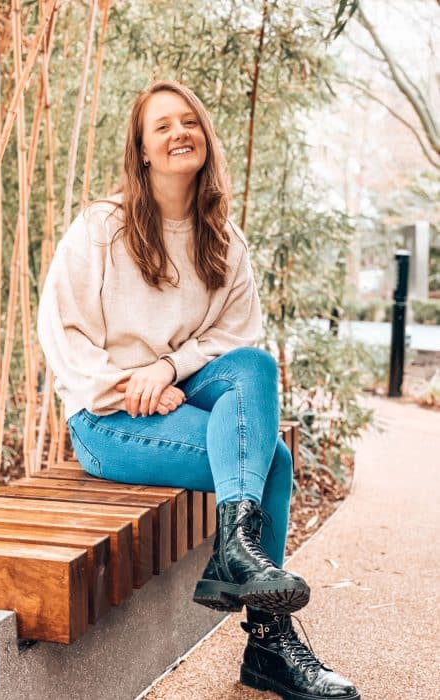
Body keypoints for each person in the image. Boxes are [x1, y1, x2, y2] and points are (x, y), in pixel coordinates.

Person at [37, 80, 360, 700]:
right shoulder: (101, 228)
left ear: (206, 139)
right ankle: (269, 644)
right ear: (143, 151)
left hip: (179, 392)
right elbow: (62, 332)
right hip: (106, 420)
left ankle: (237, 556)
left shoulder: (224, 240)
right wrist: (130, 384)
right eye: (162, 126)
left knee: (255, 366)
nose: (179, 132)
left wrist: (168, 368)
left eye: (189, 121)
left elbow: (236, 336)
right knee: (274, 461)